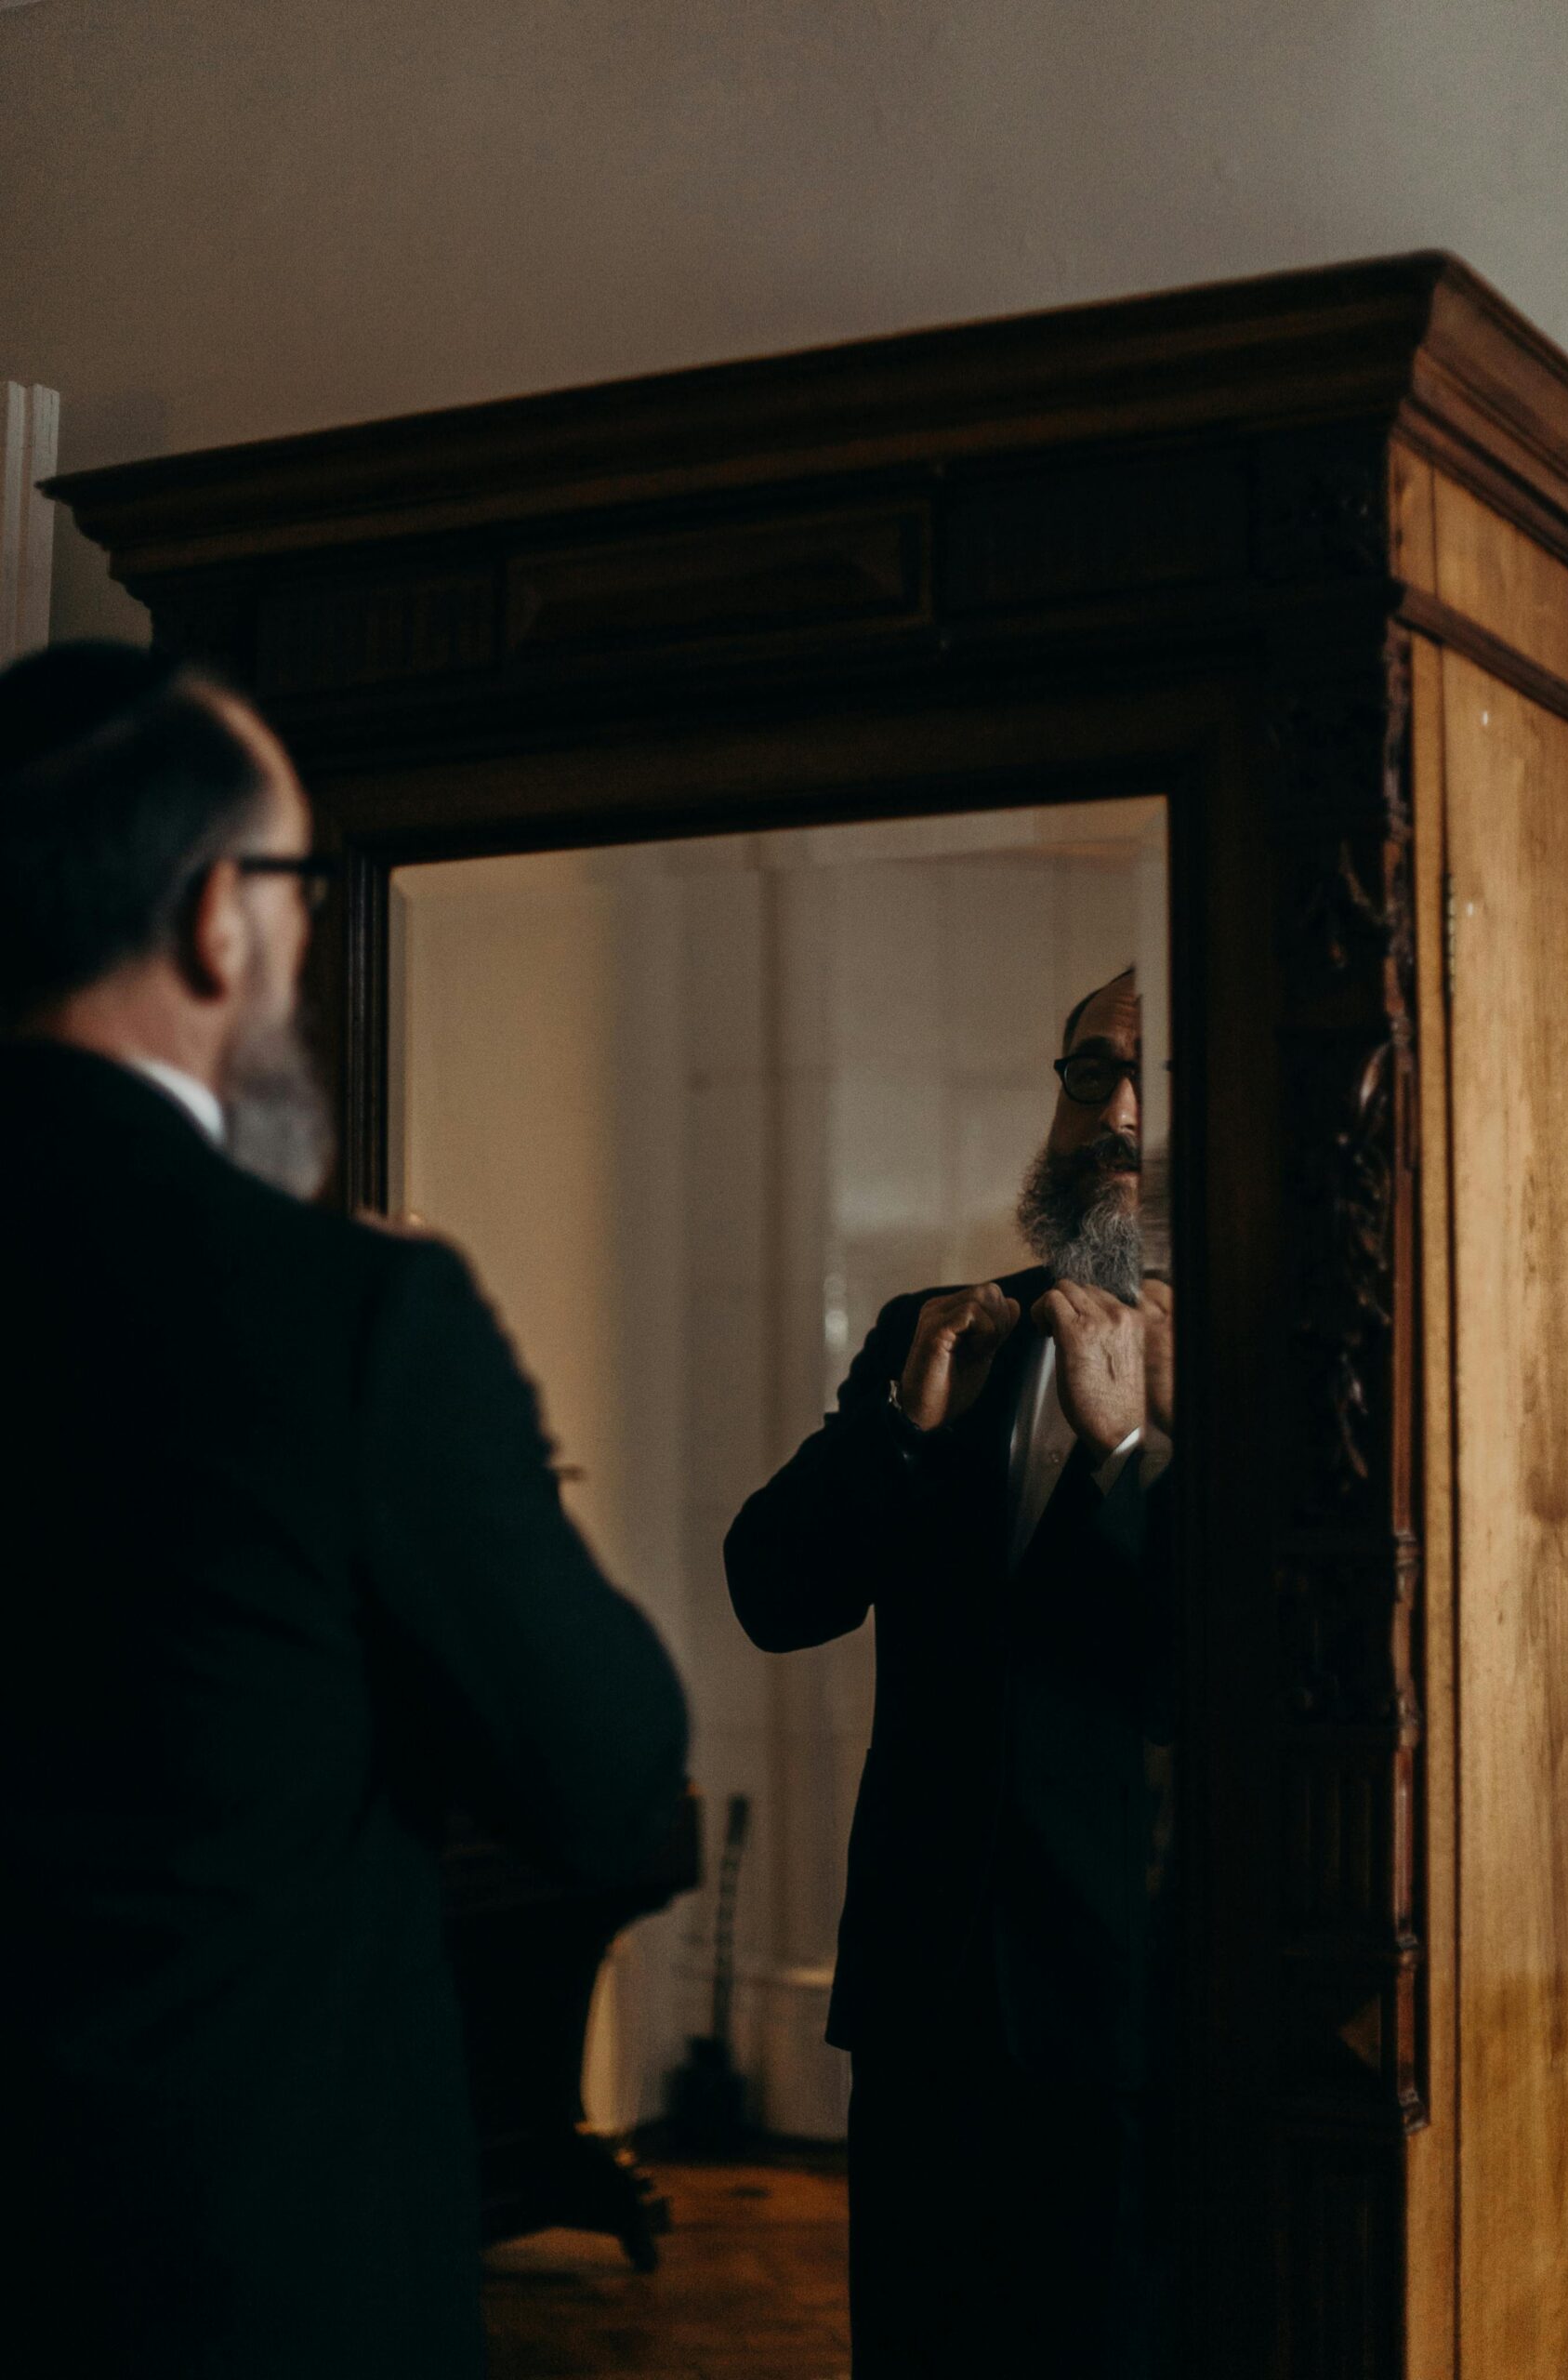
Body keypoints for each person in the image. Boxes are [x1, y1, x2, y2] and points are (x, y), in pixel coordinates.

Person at [0, 641, 690, 2380]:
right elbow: (608, 1785)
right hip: (237, 2292)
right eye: (298, 889)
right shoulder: (352, 1324)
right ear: (217, 918)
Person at [724, 966, 1175, 2378]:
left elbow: (1222, 1677)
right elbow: (774, 1595)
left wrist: (1124, 1459)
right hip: (925, 1997)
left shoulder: (1298, 1352)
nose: (1114, 1113)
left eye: (1151, 1075)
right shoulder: (941, 1324)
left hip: (1142, 2020)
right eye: (1088, 1073)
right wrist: (903, 1436)